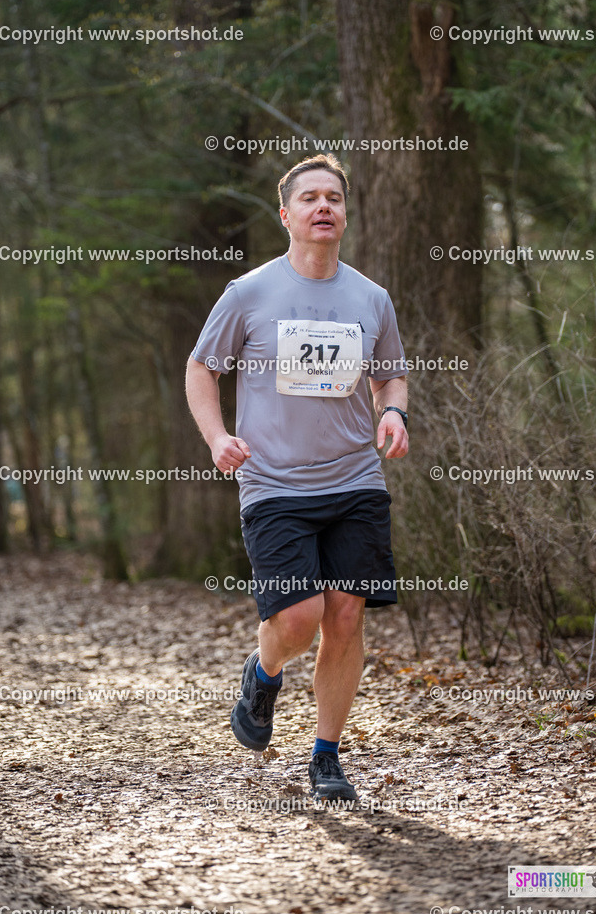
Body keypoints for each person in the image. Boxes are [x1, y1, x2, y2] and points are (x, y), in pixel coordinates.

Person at [185, 153, 408, 802]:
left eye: (333, 198)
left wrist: (391, 410)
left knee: (344, 617)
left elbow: (390, 370)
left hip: (355, 481)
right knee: (300, 616)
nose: (323, 207)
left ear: (344, 214)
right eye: (309, 198)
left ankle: (326, 756)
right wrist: (218, 436)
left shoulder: (370, 298)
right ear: (286, 216)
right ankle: (263, 671)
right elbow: (202, 368)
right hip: (274, 484)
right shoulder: (249, 293)